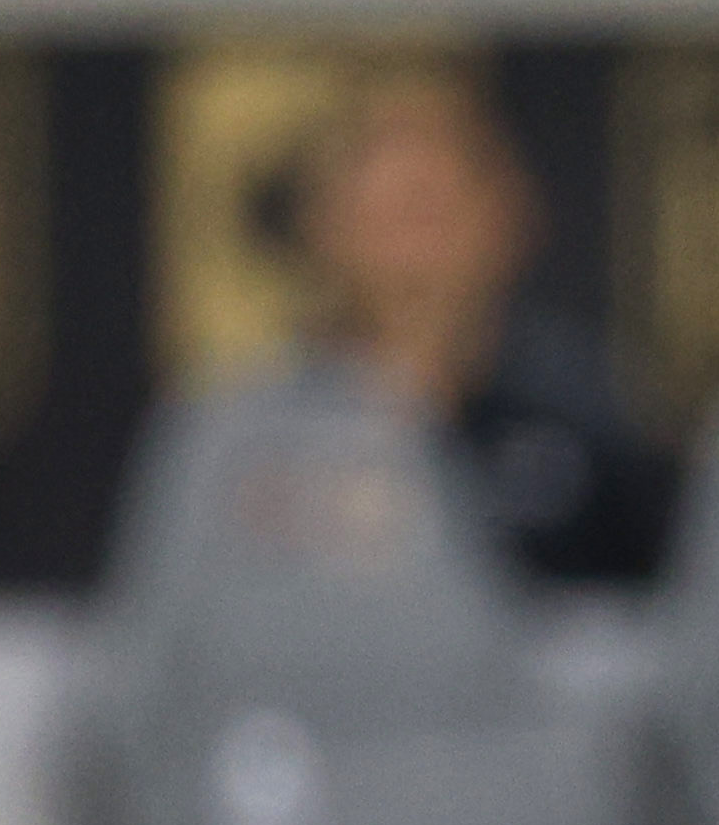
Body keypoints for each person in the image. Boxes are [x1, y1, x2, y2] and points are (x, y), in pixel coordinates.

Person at [278, 73, 672, 597]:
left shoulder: (591, 413)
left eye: (433, 216)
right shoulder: (258, 441)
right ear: (326, 236)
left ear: (505, 221)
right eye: (381, 221)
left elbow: (660, 617)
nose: (412, 256)